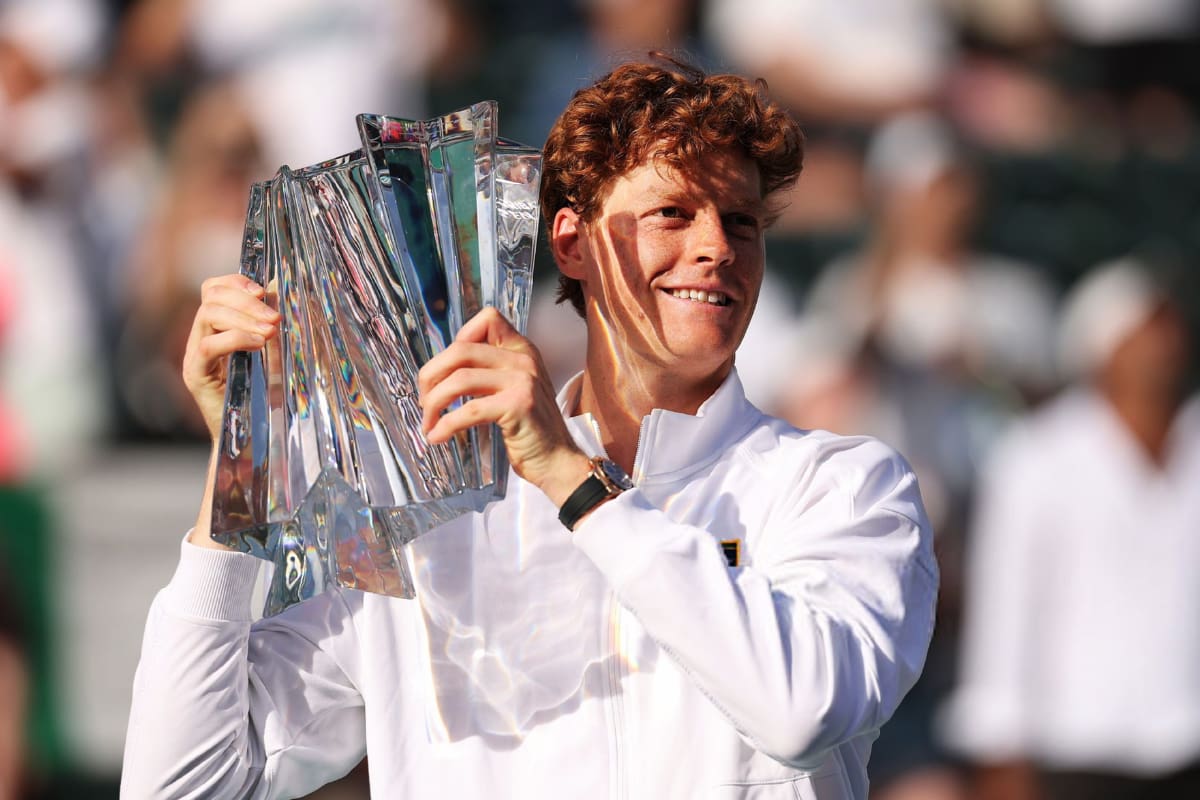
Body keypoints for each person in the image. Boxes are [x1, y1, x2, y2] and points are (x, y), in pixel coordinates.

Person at [121, 56, 937, 799]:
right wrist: (243, 466)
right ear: (573, 245)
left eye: (741, 221)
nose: (716, 247)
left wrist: (573, 481)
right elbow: (179, 785)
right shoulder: (432, 517)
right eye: (673, 213)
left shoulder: (842, 486)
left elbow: (800, 712)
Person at [942, 258, 1200, 800]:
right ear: (1103, 347)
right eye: (1146, 328)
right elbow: (1007, 605)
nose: (1164, 344)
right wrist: (1000, 744)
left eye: (1169, 326)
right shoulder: (1038, 455)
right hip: (1075, 742)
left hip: (1186, 735)